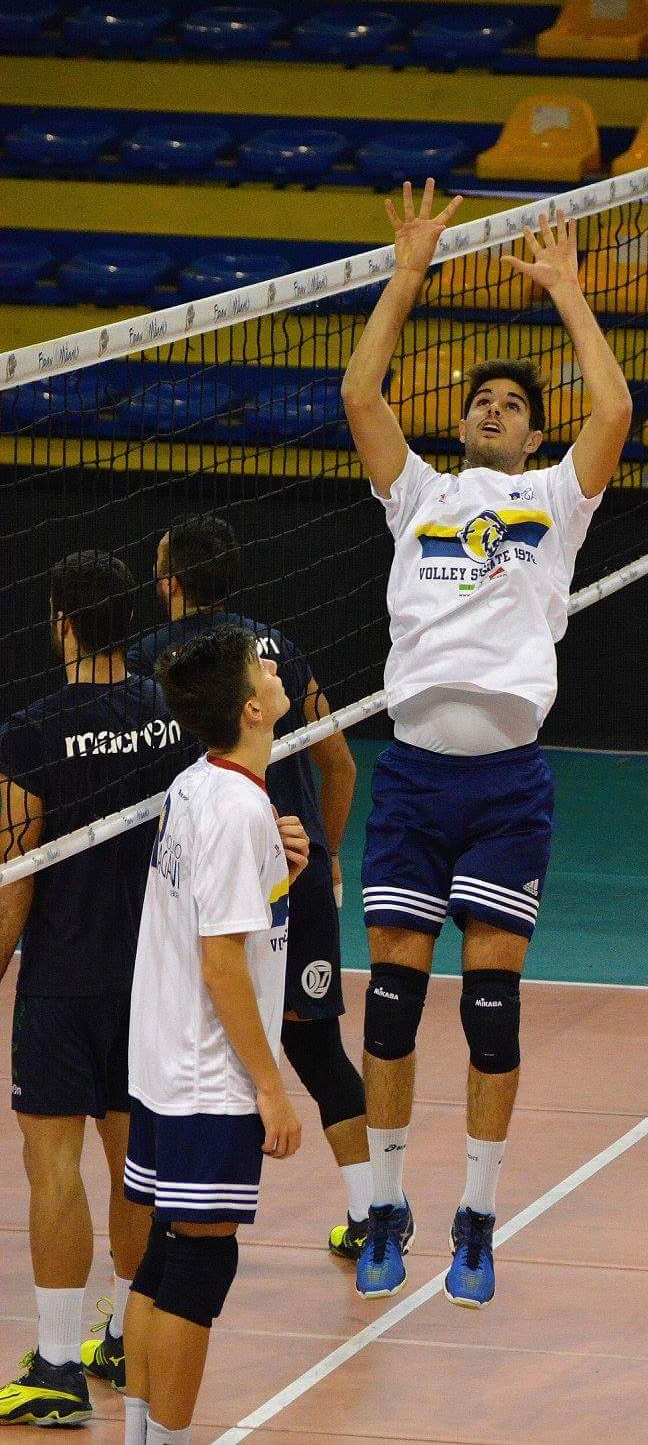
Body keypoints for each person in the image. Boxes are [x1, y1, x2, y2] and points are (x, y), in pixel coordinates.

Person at [341, 177, 632, 1306]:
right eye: (484, 401)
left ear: (534, 429)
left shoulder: (559, 501)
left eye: (515, 402)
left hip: (507, 786)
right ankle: (385, 1207)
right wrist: (408, 271)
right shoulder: (417, 494)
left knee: (492, 1010)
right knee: (396, 1008)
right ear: (463, 425)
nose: (496, 409)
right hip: (413, 776)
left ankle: (477, 1214)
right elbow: (362, 392)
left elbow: (612, 413)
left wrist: (565, 292)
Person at [128, 514, 370, 1256]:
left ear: (169, 581)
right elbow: (342, 764)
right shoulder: (280, 649)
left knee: (187, 1048)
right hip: (281, 876)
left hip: (220, 887)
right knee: (317, 1046)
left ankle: (156, 1254)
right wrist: (324, 855)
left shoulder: (150, 660)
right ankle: (375, 1214)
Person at [0, 551, 189, 1424]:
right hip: (150, 982)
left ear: (62, 623)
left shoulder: (32, 731)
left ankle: (56, 1364)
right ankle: (123, 1333)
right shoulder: (174, 716)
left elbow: (17, 872)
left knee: (53, 1170)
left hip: (64, 983)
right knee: (134, 1172)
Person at [121, 624, 307, 1445]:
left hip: (164, 1065)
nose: (274, 667)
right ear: (253, 709)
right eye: (261, 667)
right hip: (208, 1078)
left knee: (166, 1255)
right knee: (200, 1263)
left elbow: (219, 906)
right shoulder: (235, 807)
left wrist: (280, 871)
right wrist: (271, 1086)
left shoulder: (198, 784)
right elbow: (223, 965)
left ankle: (138, 1434)